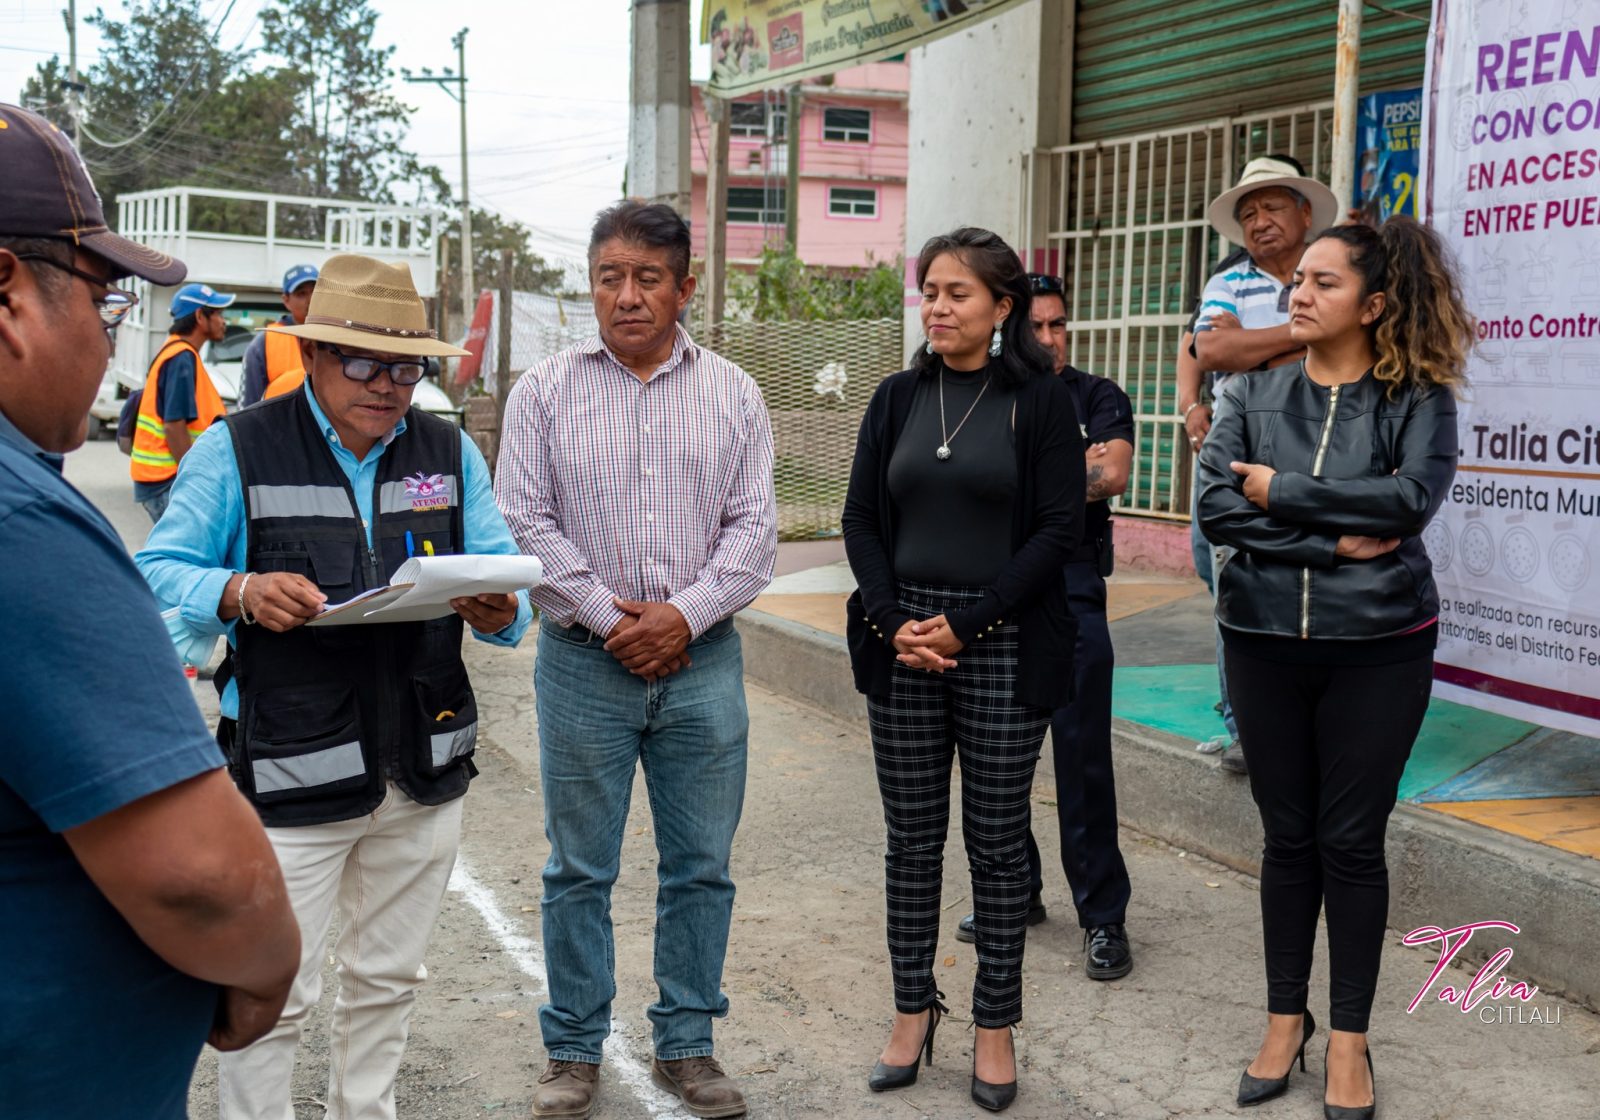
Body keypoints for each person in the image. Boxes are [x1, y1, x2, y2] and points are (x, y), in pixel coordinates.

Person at [135, 253, 532, 1120]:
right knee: (274, 993)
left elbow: (508, 597)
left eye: (405, 366)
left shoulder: (446, 448)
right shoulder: (236, 449)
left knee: (388, 982)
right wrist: (238, 590)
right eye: (362, 361)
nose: (388, 384)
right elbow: (156, 569)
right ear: (311, 353)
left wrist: (498, 608)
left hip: (422, 771)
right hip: (289, 770)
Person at [0, 101, 299, 1119]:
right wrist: (263, 971)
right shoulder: (22, 527)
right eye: (101, 297)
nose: (103, 327)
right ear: (7, 288)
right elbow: (201, 877)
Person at [495, 200, 776, 1120]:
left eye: (647, 277)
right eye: (610, 275)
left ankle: (687, 1044)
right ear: (591, 283)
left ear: (684, 288)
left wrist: (682, 619)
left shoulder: (734, 392)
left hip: (704, 665)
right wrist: (611, 620)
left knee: (702, 865)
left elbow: (753, 534)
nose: (626, 295)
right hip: (583, 665)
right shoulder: (544, 390)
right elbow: (524, 516)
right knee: (579, 868)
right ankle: (573, 1050)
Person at [1197, 217, 1472, 1119]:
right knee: (1287, 838)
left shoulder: (1417, 398)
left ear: (1375, 303)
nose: (1297, 294)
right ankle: (1286, 1019)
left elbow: (1408, 501)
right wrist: (1330, 546)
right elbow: (1214, 511)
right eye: (1297, 280)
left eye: (1322, 282)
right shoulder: (1247, 393)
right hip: (1262, 640)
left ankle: (1348, 1036)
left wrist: (1280, 492)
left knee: (1350, 842)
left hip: (1380, 648)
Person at [843, 228, 1083, 1114]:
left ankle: (993, 1025)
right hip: (904, 638)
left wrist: (969, 624)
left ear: (1002, 307)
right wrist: (895, 620)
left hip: (1004, 640)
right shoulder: (898, 397)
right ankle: (913, 1011)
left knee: (994, 843)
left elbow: (1058, 531)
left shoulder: (1041, 404)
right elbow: (861, 520)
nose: (938, 308)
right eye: (930, 292)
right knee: (911, 841)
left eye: (957, 294)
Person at [953, 272, 1136, 982]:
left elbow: (1112, 474)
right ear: (1008, 327)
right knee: (994, 759)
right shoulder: (983, 395)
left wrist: (1018, 480)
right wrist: (1061, 474)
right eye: (1038, 327)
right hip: (994, 595)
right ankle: (1017, 893)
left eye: (1061, 325)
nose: (1052, 339)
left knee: (1083, 760)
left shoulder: (1098, 397)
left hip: (1072, 587)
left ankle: (1103, 917)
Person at [1191, 154, 1339, 774]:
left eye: (1273, 206)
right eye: (1248, 213)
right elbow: (1211, 347)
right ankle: (1245, 725)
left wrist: (1255, 347)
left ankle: (1315, 717)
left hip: (1320, 449)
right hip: (1236, 450)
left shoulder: (1335, 272)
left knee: (1315, 580)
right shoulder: (1229, 279)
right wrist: (1305, 336)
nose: (1260, 221)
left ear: (1305, 213)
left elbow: (1350, 343)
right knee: (1229, 579)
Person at [130, 280, 234, 521]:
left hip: (161, 480)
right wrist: (193, 480)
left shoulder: (176, 352)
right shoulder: (181, 358)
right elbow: (173, 425)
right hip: (167, 481)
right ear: (200, 316)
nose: (223, 320)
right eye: (217, 313)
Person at [240, 262, 317, 406]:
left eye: (315, 291)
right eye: (301, 294)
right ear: (286, 300)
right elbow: (248, 406)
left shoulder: (335, 338)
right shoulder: (264, 342)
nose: (310, 299)